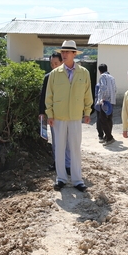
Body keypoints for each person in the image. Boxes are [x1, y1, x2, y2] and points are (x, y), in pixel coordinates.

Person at [45, 40, 93, 192]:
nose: (64, 54)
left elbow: (87, 94)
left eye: (67, 52)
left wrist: (87, 112)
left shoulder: (83, 73)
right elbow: (49, 96)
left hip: (75, 116)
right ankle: (61, 179)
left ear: (74, 54)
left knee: (75, 148)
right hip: (58, 117)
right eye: (62, 52)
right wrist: (50, 114)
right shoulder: (55, 74)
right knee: (59, 147)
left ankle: (77, 180)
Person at [38, 52, 71, 173]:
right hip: (53, 114)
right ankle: (57, 163)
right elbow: (44, 96)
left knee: (67, 140)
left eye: (56, 63)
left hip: (68, 113)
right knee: (56, 140)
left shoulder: (69, 76)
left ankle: (68, 165)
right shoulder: (48, 77)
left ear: (62, 62)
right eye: (52, 64)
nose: (54, 66)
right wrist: (42, 112)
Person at [96, 64, 117, 146]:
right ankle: (107, 136)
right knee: (109, 119)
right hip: (111, 101)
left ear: (99, 71)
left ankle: (109, 137)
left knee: (103, 120)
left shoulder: (102, 77)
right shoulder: (112, 77)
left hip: (105, 101)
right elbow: (115, 89)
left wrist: (101, 99)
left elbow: (103, 88)